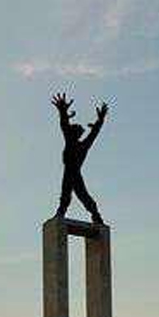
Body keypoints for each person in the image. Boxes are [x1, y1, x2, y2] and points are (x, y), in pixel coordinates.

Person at [50, 93, 109, 224]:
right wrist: (100, 120)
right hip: (72, 172)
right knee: (77, 195)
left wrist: (63, 111)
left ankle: (93, 215)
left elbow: (65, 125)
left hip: (73, 172)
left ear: (75, 134)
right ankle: (94, 215)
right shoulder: (80, 144)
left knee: (75, 195)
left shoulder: (76, 143)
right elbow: (66, 125)